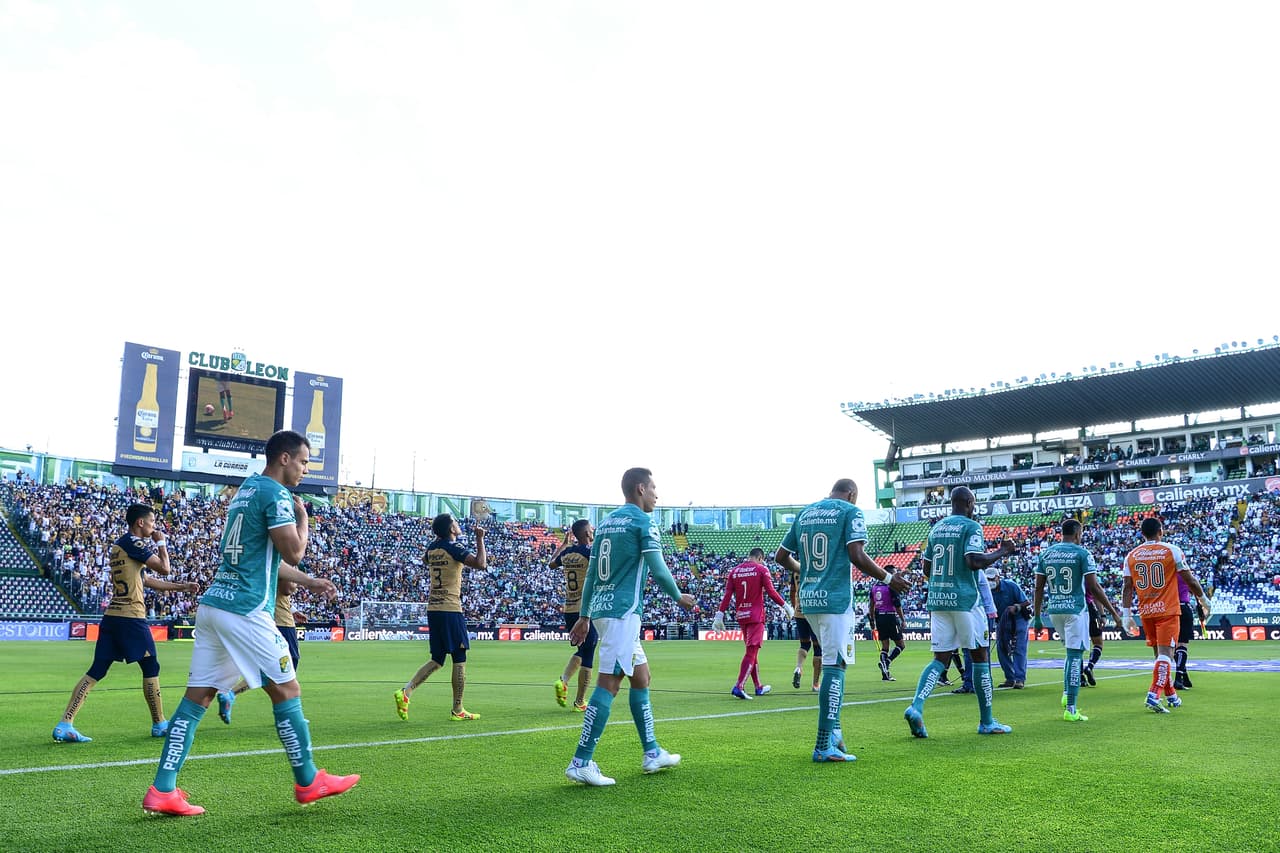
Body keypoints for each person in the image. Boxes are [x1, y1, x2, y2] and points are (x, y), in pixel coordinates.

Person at [141, 430, 357, 816]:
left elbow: (272, 557)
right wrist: (303, 518)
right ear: (285, 458)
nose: (305, 470)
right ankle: (308, 780)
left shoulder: (246, 490)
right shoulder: (275, 494)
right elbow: (294, 550)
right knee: (287, 691)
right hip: (246, 609)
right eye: (304, 462)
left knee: (197, 700)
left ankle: (163, 789)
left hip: (214, 604)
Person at [563, 468, 696, 787]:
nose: (656, 494)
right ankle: (581, 761)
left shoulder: (607, 523)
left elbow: (593, 572)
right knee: (609, 682)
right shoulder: (643, 521)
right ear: (640, 489)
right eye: (653, 488)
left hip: (603, 611)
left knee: (642, 675)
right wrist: (679, 596)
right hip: (622, 612)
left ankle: (652, 752)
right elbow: (657, 567)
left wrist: (584, 616)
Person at [776, 478, 911, 762]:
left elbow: (781, 556)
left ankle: (835, 733)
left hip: (809, 600)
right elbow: (857, 555)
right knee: (834, 666)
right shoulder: (850, 512)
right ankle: (823, 744)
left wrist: (808, 570)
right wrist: (888, 578)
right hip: (835, 601)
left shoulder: (806, 512)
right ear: (852, 494)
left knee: (832, 661)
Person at [52, 503, 199, 743]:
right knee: (151, 666)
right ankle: (160, 723)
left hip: (112, 616)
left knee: (97, 670)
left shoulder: (121, 546)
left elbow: (146, 580)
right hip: (131, 617)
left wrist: (182, 587)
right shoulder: (135, 543)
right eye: (152, 522)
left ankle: (65, 723)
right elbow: (164, 568)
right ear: (140, 522)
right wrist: (161, 543)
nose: (154, 526)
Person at [904, 486, 1017, 739]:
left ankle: (916, 706)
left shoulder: (936, 529)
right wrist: (1003, 551)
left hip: (938, 600)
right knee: (979, 657)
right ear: (968, 502)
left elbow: (926, 568)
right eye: (974, 503)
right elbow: (973, 561)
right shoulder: (971, 526)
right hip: (965, 601)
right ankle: (987, 721)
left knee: (939, 659)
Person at [1032, 519, 1129, 722]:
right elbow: (1094, 587)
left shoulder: (1046, 553)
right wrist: (1113, 612)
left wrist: (1038, 616)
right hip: (1075, 609)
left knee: (1070, 653)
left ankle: (1067, 693)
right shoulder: (1082, 553)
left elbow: (1038, 587)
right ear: (1078, 534)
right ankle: (1071, 708)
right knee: (1076, 656)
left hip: (1055, 609)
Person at [394, 513, 488, 722]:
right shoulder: (453, 548)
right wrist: (480, 538)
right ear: (451, 529)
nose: (457, 523)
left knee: (437, 659)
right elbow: (481, 564)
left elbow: (425, 558)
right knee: (459, 656)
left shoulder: (432, 549)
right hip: (450, 608)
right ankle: (458, 709)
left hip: (434, 608)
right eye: (455, 521)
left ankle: (406, 692)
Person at [1121, 516, 1211, 713]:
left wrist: (1126, 614)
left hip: (1146, 611)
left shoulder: (1131, 555)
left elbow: (1127, 588)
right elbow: (1190, 580)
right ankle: (1153, 694)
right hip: (1168, 610)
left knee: (1160, 657)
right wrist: (1205, 600)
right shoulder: (1171, 550)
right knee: (1166, 655)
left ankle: (1171, 695)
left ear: (1142, 534)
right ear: (1160, 531)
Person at [215, 572, 302, 724]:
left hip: (275, 620)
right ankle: (287, 714)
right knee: (285, 670)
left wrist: (294, 610)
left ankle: (231, 695)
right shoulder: (284, 564)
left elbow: (281, 593)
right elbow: (287, 588)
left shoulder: (271, 564)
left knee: (274, 671)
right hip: (282, 623)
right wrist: (300, 580)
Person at [713, 547, 793, 699]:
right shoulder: (761, 570)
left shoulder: (734, 571)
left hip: (742, 615)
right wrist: (786, 606)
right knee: (752, 652)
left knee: (752, 652)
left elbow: (727, 595)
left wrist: (719, 615)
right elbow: (771, 591)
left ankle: (758, 687)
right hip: (756, 616)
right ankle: (739, 686)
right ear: (761, 558)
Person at [551, 520, 596, 712]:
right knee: (589, 653)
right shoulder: (590, 552)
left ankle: (563, 682)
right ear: (586, 533)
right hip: (585, 611)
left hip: (569, 609)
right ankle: (580, 701)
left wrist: (563, 545)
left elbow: (552, 564)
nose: (593, 531)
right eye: (591, 529)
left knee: (582, 650)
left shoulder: (567, 554)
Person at [988, 562, 1031, 688]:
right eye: (988, 579)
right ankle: (1010, 677)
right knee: (1001, 649)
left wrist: (1016, 607)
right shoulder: (986, 590)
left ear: (998, 577)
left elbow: (1026, 602)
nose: (990, 581)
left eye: (992, 578)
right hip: (1001, 621)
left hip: (1018, 619)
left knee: (1019, 648)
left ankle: (1019, 678)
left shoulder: (1011, 586)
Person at [788, 563, 823, 693]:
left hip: (800, 610)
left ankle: (798, 667)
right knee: (818, 647)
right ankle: (815, 684)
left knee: (804, 644)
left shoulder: (795, 569)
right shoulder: (817, 566)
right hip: (815, 609)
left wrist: (795, 606)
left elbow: (792, 590)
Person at [869, 576, 906, 682]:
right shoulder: (891, 586)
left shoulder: (874, 587)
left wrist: (872, 620)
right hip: (890, 617)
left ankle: (885, 674)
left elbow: (871, 605)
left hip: (879, 617)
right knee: (901, 645)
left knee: (885, 647)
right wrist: (903, 620)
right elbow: (897, 605)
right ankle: (887, 662)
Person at [1173, 573, 1204, 690]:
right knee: (1182, 644)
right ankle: (1178, 678)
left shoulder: (1166, 573)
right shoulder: (1184, 574)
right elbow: (1194, 588)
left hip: (1170, 609)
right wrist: (1200, 609)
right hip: (1183, 607)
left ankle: (1184, 677)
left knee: (1175, 646)